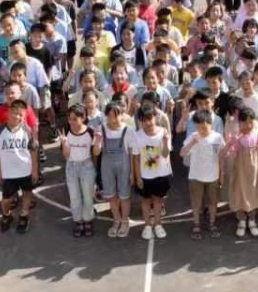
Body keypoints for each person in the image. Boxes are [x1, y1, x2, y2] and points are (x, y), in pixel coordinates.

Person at [0, 99, 38, 234]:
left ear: (24, 116)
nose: (17, 116)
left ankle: (24, 214)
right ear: (8, 112)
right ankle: (7, 214)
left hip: (25, 169)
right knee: (6, 200)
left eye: (20, 114)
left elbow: (33, 151)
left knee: (27, 192)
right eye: (14, 113)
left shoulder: (27, 130)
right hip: (8, 172)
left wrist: (34, 170)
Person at [180, 109, 225, 240]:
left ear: (210, 124)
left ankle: (212, 223)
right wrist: (192, 143)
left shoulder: (217, 137)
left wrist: (222, 174)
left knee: (212, 202)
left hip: (213, 176)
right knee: (196, 202)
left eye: (204, 127)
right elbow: (182, 153)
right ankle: (196, 224)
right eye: (198, 127)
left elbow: (221, 156)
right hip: (195, 176)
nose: (201, 130)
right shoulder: (193, 136)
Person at [225, 108, 258, 238]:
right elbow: (229, 154)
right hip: (240, 171)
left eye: (250, 122)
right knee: (240, 193)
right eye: (244, 122)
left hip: (254, 171)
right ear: (239, 123)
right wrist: (231, 142)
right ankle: (242, 220)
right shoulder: (237, 136)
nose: (247, 125)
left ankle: (252, 220)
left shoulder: (257, 135)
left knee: (253, 193)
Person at [60, 103, 101, 238]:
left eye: (74, 119)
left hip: (86, 166)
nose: (71, 122)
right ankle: (78, 221)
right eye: (69, 119)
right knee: (74, 196)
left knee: (88, 196)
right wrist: (64, 143)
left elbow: (95, 152)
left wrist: (98, 140)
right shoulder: (67, 131)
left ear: (83, 118)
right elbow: (66, 156)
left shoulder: (90, 132)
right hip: (71, 166)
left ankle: (88, 220)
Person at [132, 106, 173, 240]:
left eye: (150, 119)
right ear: (140, 121)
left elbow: (165, 154)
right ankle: (147, 225)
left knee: (158, 200)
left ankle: (158, 224)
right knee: (145, 201)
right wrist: (138, 177)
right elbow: (136, 158)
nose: (148, 123)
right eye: (145, 120)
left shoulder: (163, 132)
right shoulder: (137, 136)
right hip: (145, 175)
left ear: (156, 118)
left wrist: (165, 143)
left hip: (161, 173)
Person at [100, 102, 133, 238]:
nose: (113, 119)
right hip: (107, 165)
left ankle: (125, 221)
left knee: (124, 195)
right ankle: (116, 219)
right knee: (111, 195)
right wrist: (97, 141)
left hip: (124, 165)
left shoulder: (128, 130)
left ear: (121, 115)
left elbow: (131, 153)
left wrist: (132, 172)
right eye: (110, 116)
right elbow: (97, 151)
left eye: (116, 116)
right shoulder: (101, 129)